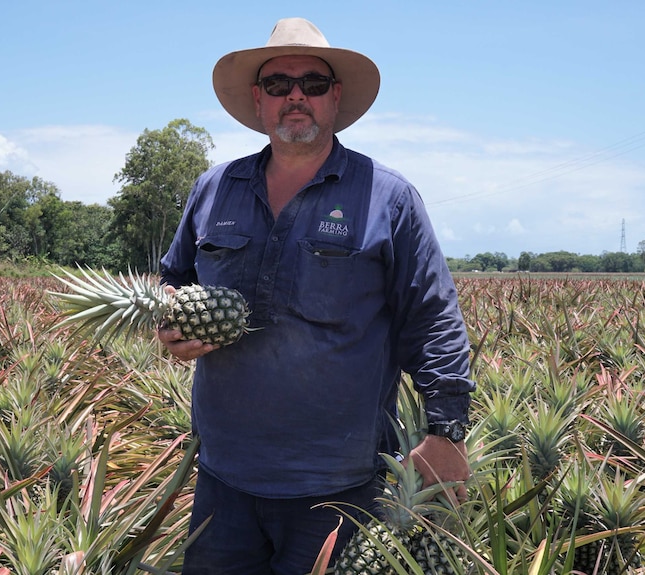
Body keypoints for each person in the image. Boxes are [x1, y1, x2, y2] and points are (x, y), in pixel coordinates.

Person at [158, 17, 476, 575]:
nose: (296, 95)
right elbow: (173, 278)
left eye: (313, 82)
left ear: (335, 98)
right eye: (279, 85)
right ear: (259, 101)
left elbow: (433, 319)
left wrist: (445, 432)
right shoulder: (214, 187)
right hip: (221, 475)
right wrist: (173, 322)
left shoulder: (388, 197)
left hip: (339, 486)